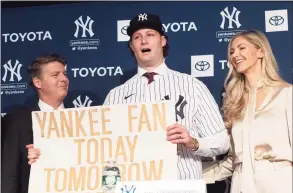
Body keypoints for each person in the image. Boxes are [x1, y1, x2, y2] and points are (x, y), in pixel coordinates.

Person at [27, 13, 229, 180]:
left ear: (162, 40)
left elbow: (221, 142)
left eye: (150, 34)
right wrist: (45, 155)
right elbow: (94, 152)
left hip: (181, 185)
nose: (144, 40)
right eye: (137, 37)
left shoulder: (192, 86)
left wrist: (193, 142)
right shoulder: (116, 96)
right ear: (132, 46)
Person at [203, 29, 292, 193]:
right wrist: (190, 173)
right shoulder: (234, 101)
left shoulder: (286, 94)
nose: (235, 54)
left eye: (241, 48)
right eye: (231, 51)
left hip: (279, 183)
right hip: (241, 184)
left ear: (260, 51)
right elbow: (232, 161)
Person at [1, 53, 69, 193]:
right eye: (55, 75)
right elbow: (9, 173)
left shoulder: (82, 120)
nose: (64, 79)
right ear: (38, 82)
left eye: (64, 74)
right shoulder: (18, 121)